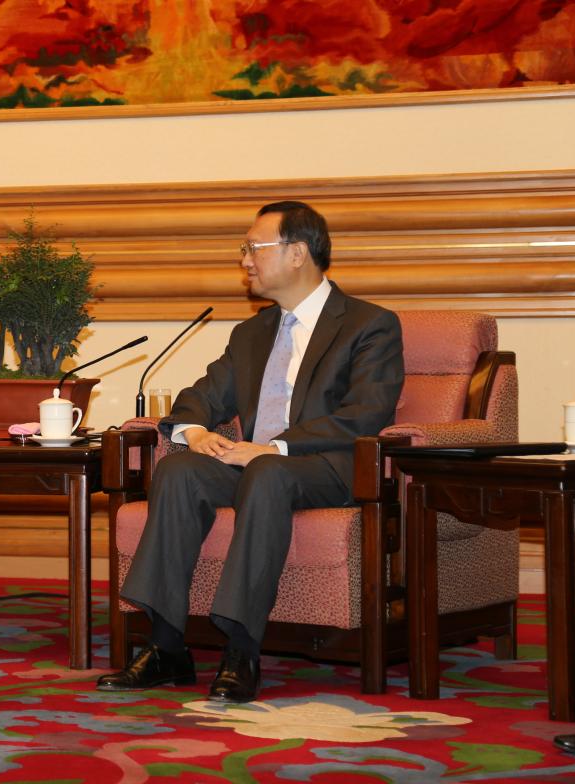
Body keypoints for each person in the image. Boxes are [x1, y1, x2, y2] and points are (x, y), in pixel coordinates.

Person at [97, 201, 404, 702]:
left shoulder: (369, 325)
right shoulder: (252, 332)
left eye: (253, 248)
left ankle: (242, 649)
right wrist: (193, 431)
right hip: (255, 464)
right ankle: (166, 646)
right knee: (179, 471)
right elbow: (202, 395)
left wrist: (272, 449)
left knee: (266, 473)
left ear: (298, 253)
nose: (244, 260)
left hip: (330, 468)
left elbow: (366, 414)